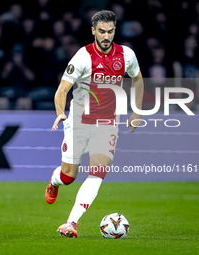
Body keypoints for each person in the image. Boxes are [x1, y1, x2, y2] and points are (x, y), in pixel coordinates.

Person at [45, 10, 144, 238]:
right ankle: (55, 179)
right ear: (93, 31)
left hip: (108, 122)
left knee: (98, 171)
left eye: (110, 32)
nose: (106, 36)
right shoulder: (83, 57)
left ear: (115, 30)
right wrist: (61, 113)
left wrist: (137, 111)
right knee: (69, 176)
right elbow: (62, 90)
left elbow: (137, 78)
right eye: (101, 32)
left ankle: (72, 222)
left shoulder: (126, 55)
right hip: (79, 121)